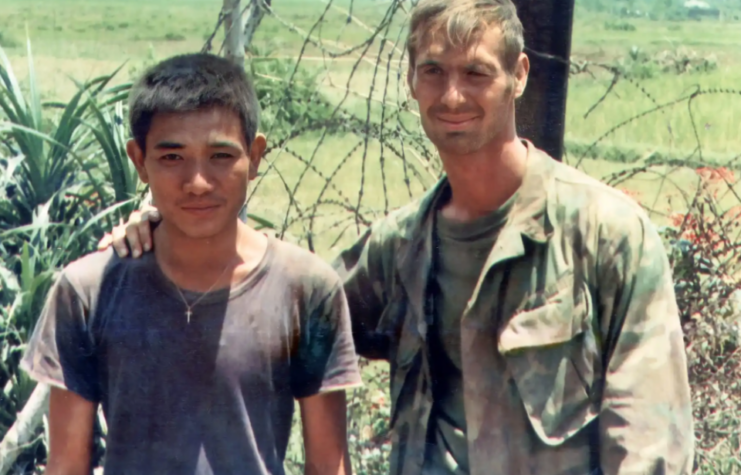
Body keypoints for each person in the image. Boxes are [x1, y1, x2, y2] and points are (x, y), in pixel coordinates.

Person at [99, 1, 695, 474]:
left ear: (519, 76)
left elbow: (649, 435)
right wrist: (174, 233)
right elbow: (279, 307)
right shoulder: (401, 247)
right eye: (433, 71)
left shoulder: (604, 234)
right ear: (411, 81)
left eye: (476, 73)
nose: (452, 95)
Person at [22, 53, 362, 475]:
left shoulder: (304, 289)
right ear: (139, 160)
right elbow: (67, 465)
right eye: (172, 157)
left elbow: (328, 465)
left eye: (221, 155)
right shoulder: (90, 290)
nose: (198, 182)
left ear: (255, 156)